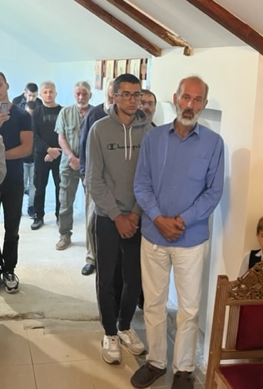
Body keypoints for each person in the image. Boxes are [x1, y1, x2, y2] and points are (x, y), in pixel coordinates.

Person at [132, 76, 224, 389]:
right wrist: (159, 218)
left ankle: (184, 369)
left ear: (204, 105)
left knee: (189, 309)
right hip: (153, 235)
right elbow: (141, 183)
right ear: (175, 98)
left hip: (191, 240)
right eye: (186, 97)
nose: (190, 105)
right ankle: (156, 362)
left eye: (197, 100)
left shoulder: (214, 143)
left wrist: (182, 221)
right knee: (154, 304)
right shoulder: (153, 138)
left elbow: (214, 192)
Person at [86, 74, 151, 365]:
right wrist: (117, 216)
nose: (132, 100)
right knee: (106, 276)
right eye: (126, 94)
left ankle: (125, 326)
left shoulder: (149, 131)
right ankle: (110, 331)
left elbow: (150, 178)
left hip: (138, 217)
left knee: (134, 277)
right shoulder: (99, 129)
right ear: (114, 96)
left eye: (137, 95)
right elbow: (94, 179)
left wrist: (134, 213)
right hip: (107, 216)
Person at [0, 70, 33, 296]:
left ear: (7, 85)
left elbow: (26, 148)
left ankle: (9, 269)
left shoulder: (22, 115)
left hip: (14, 179)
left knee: (12, 228)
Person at [78, 79, 114, 274]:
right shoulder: (95, 114)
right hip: (94, 178)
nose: (113, 99)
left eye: (117, 95)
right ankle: (91, 258)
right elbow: (83, 144)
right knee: (92, 220)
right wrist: (84, 173)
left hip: (116, 181)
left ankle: (109, 258)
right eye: (110, 95)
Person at [55, 81, 93, 251]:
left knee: (93, 204)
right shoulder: (65, 112)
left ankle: (92, 238)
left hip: (90, 166)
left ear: (90, 95)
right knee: (65, 202)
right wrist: (72, 157)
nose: (81, 97)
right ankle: (64, 235)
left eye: (84, 94)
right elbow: (61, 137)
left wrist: (83, 161)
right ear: (74, 95)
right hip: (68, 164)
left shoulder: (96, 113)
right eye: (78, 94)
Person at [30, 81, 63, 230]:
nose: (48, 95)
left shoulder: (63, 111)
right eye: (45, 92)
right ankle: (38, 216)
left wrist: (55, 152)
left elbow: (64, 133)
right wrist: (48, 149)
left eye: (51, 92)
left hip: (59, 155)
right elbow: (34, 135)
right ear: (40, 95)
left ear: (56, 93)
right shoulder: (36, 113)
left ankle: (60, 216)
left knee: (60, 187)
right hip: (41, 156)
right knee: (39, 187)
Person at [23, 100, 37, 218]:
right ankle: (17, 208)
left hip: (34, 160)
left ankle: (31, 207)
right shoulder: (20, 124)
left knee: (33, 185)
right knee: (21, 185)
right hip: (22, 160)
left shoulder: (37, 125)